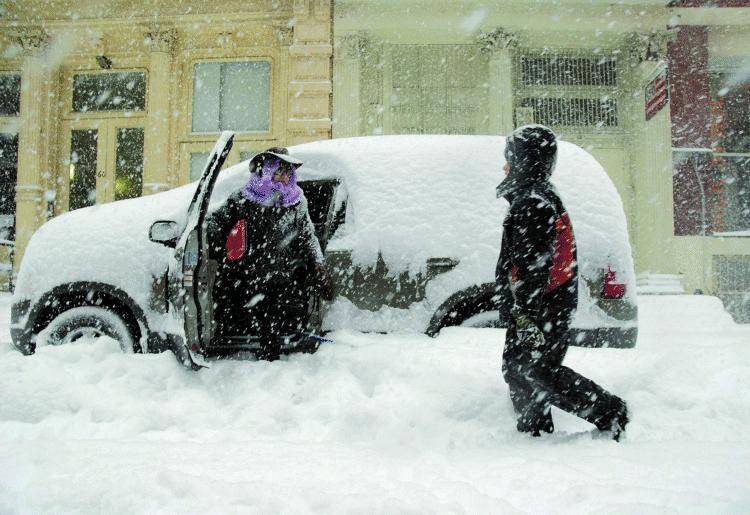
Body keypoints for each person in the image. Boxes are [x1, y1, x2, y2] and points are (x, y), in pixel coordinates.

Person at [495, 124, 629, 440]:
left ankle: (611, 411)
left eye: (509, 158)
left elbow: (534, 266)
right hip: (547, 303)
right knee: (518, 367)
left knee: (536, 371)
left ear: (523, 160)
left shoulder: (533, 202)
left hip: (545, 305)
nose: (504, 166)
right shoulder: (536, 195)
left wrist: (526, 312)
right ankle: (533, 430)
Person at [207, 147, 333, 361]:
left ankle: (270, 364)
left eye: (288, 171)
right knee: (240, 311)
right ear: (266, 170)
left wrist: (318, 265)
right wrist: (220, 244)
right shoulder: (242, 198)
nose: (284, 176)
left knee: (271, 320)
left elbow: (308, 236)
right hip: (245, 273)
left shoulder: (297, 201)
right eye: (279, 170)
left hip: (279, 275)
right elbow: (215, 223)